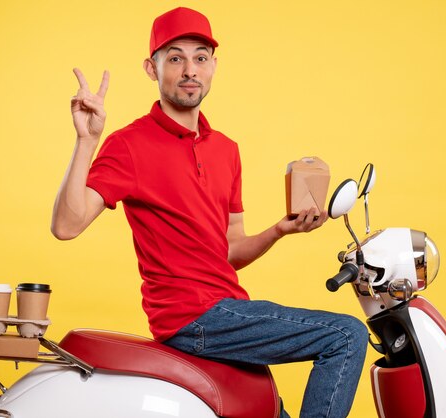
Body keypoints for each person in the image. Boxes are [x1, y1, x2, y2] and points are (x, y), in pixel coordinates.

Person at [51, 7, 367, 418]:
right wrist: (86, 141)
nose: (189, 70)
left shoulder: (226, 150)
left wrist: (279, 230)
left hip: (228, 312)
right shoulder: (128, 144)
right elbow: (66, 225)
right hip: (192, 318)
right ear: (152, 68)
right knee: (345, 335)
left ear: (214, 67)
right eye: (175, 57)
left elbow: (231, 250)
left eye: (200, 57)